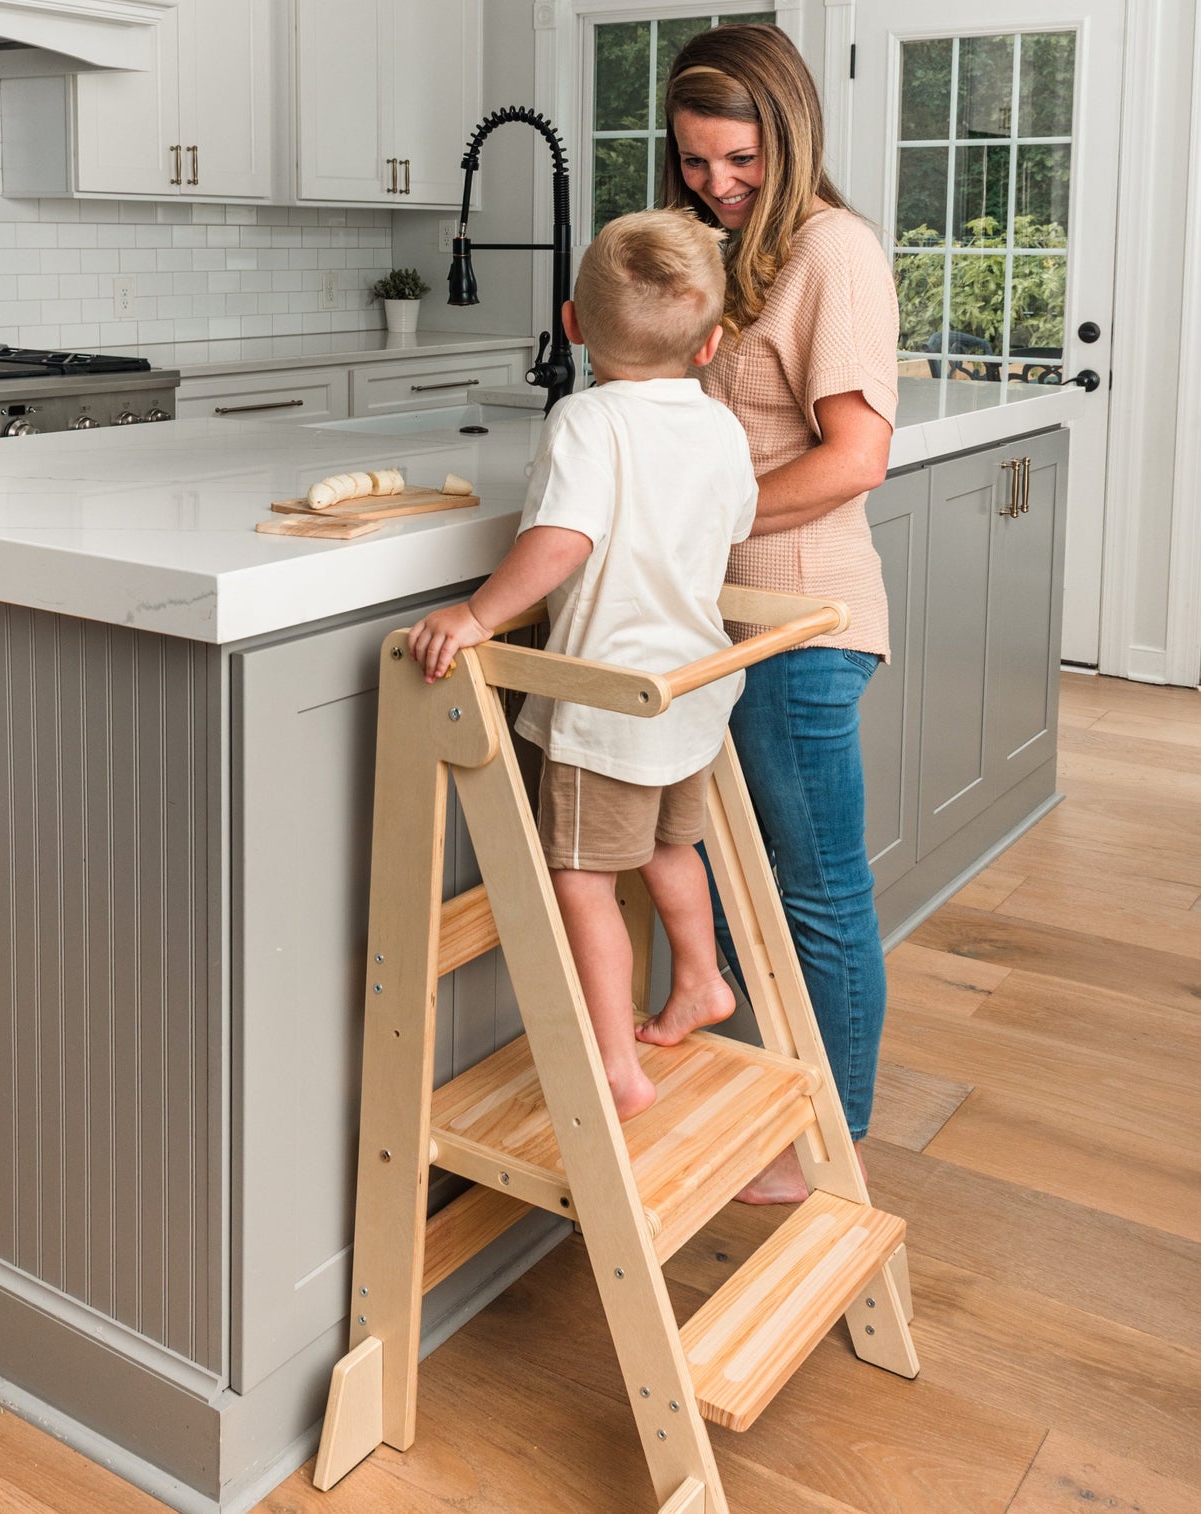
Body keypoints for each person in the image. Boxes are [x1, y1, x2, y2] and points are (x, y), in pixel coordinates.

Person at [407, 209, 758, 1121]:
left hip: (609, 700)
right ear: (711, 341)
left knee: (581, 877)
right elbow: (736, 528)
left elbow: (562, 540)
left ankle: (614, 1065)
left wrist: (479, 613)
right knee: (672, 844)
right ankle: (700, 979)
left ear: (571, 323)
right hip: (692, 686)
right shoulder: (719, 424)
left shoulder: (586, 419)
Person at [661, 22, 899, 1200]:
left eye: (742, 160)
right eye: (697, 160)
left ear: (790, 136)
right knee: (718, 867)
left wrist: (705, 517)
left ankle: (829, 1142)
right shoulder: (717, 246)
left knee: (816, 890)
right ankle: (771, 1090)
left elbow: (855, 457)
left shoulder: (832, 248)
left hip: (802, 621)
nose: (719, 184)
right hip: (723, 619)